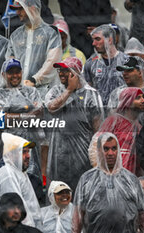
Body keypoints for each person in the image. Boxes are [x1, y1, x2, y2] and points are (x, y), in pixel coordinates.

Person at [0, 59, 44, 202]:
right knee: (9, 198)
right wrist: (27, 113)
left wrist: (8, 114)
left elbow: (37, 118)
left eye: (17, 72)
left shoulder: (32, 91)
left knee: (31, 199)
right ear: (3, 74)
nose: (14, 76)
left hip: (30, 155)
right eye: (10, 72)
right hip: (6, 153)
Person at [45, 57, 104, 191]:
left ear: (75, 73)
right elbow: (51, 108)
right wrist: (69, 91)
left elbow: (98, 131)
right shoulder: (55, 91)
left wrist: (96, 160)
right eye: (60, 70)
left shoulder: (92, 95)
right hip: (58, 158)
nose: (61, 73)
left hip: (82, 160)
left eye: (65, 71)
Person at [72, 132, 144, 233]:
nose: (110, 153)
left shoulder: (131, 180)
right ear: (98, 151)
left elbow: (143, 215)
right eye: (106, 149)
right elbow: (77, 218)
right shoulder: (86, 179)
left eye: (114, 148)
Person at [6, 0, 62, 98]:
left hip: (44, 92)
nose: (17, 13)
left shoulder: (51, 32)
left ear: (32, 8)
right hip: (19, 92)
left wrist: (34, 80)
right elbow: (10, 61)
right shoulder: (15, 35)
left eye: (20, 9)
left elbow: (53, 61)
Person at [0, 133, 42, 229]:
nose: (28, 156)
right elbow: (16, 211)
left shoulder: (19, 173)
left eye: (28, 152)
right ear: (11, 154)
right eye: (23, 152)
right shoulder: (7, 175)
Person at [90, 87, 144, 174]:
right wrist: (102, 173)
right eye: (138, 98)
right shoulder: (113, 121)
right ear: (128, 101)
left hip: (129, 178)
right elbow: (95, 146)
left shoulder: (138, 127)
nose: (143, 100)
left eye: (143, 97)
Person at [83, 24, 128, 106]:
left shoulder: (126, 61)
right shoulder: (90, 63)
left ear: (109, 40)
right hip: (99, 111)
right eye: (93, 40)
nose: (93, 43)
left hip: (122, 109)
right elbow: (87, 90)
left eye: (97, 39)